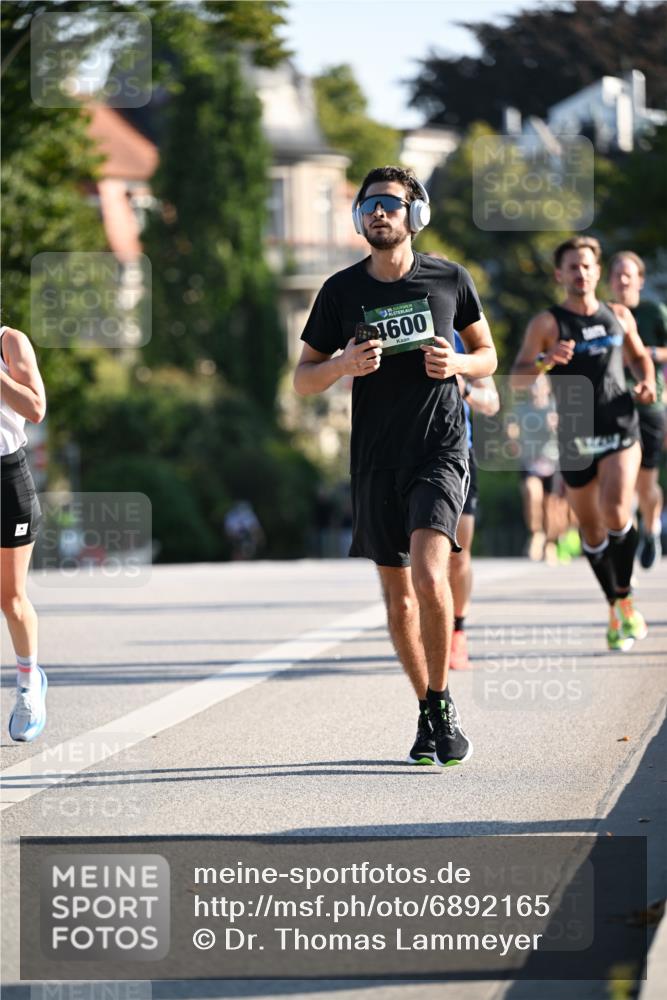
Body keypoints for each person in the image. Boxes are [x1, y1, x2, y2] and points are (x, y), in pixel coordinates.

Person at [294, 165, 497, 766]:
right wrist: (343, 365)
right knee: (398, 599)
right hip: (375, 460)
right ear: (358, 219)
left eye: (390, 203)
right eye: (369, 206)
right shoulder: (339, 291)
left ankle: (442, 702)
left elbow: (487, 355)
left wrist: (457, 365)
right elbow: (303, 379)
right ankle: (428, 708)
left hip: (439, 449)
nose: (379, 212)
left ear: (416, 215)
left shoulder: (450, 279)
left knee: (429, 579)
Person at [511, 237, 656, 652]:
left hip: (620, 426)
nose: (581, 273)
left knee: (615, 508)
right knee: (591, 531)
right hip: (574, 436)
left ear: (598, 271)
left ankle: (624, 598)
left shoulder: (618, 315)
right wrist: (546, 361)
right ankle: (616, 605)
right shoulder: (547, 324)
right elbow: (518, 379)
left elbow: (638, 358)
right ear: (560, 274)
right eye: (573, 266)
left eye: (588, 266)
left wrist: (646, 381)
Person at [1, 323, 47, 740]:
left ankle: (29, 684)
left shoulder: (10, 342)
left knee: (11, 598)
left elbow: (35, 409)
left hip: (6, 480)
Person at [608, 250, 667, 569]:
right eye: (617, 274)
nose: (623, 280)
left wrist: (649, 353)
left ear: (640, 280)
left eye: (628, 274)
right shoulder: (604, 313)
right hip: (614, 405)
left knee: (645, 483)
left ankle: (651, 529)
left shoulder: (654, 312)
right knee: (621, 480)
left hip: (650, 404)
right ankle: (625, 540)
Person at [449, 331, 500, 670]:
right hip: (404, 455)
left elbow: (492, 402)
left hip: (457, 452)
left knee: (458, 553)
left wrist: (463, 387)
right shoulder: (395, 320)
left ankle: (457, 630)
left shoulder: (461, 335)